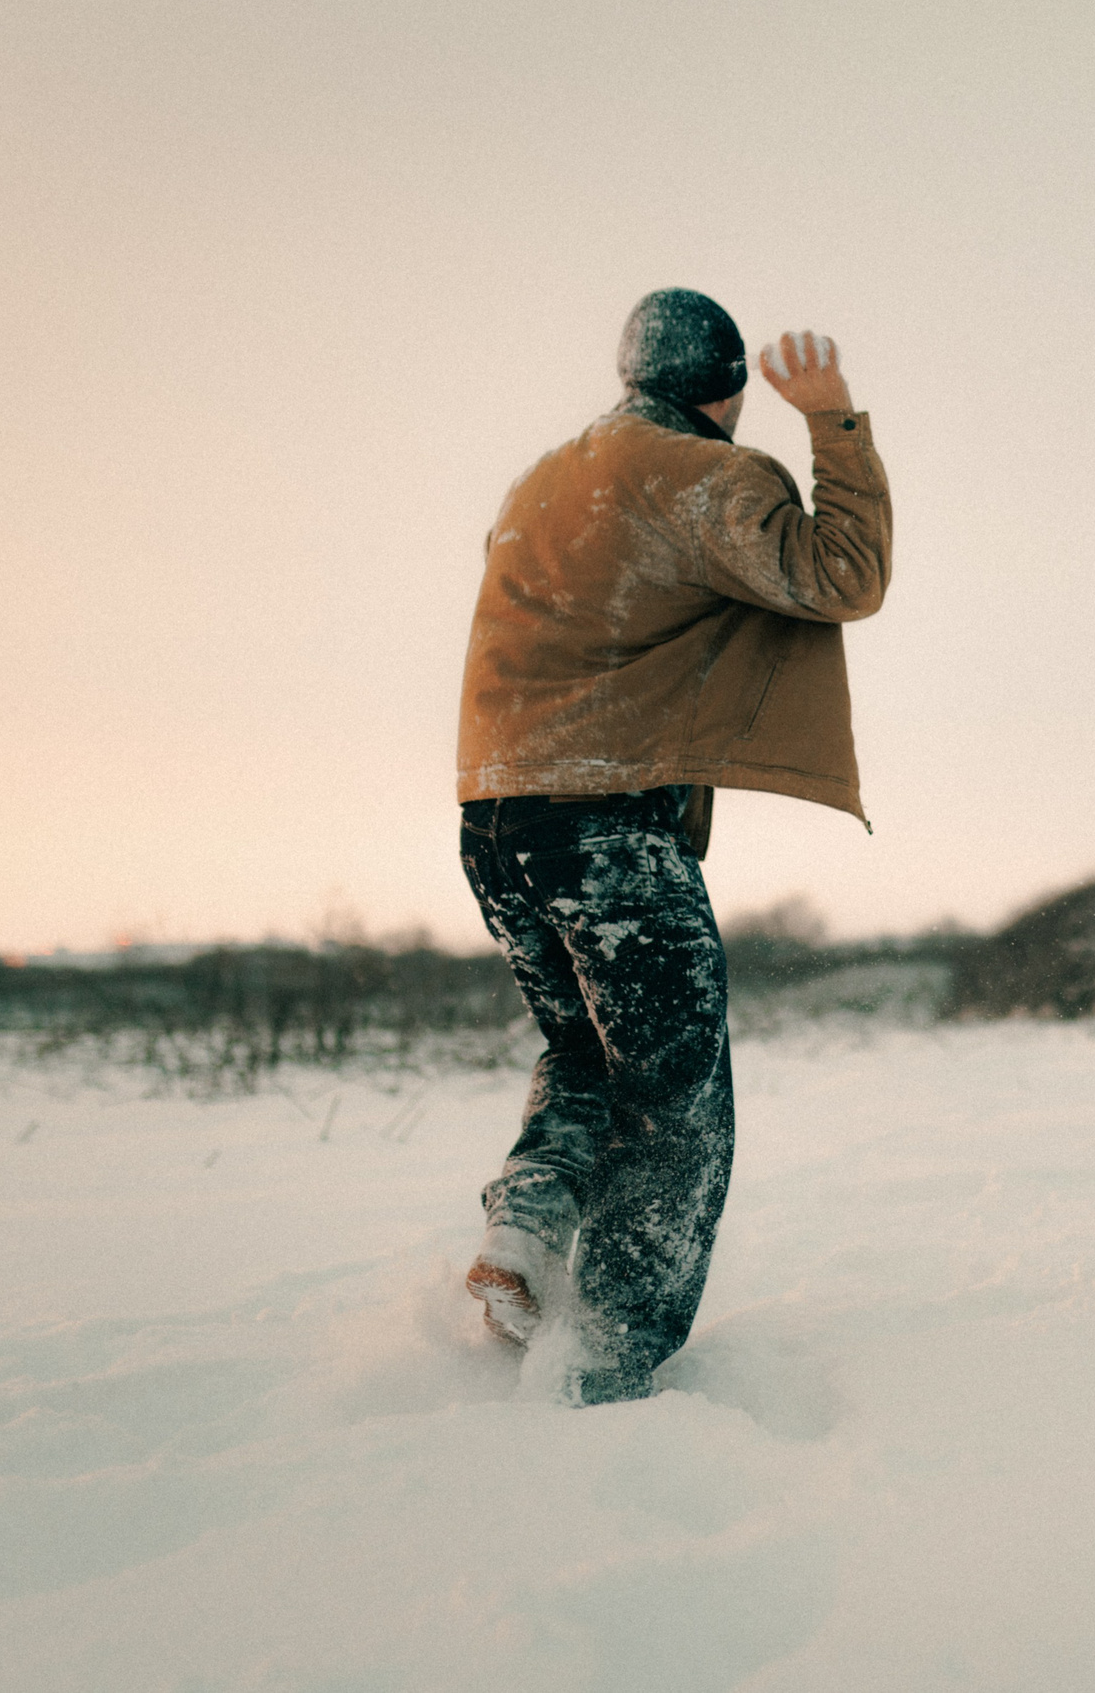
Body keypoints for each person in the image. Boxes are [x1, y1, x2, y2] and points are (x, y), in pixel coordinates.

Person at [452, 288, 891, 1403]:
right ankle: (605, 1367)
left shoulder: (541, 482)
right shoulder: (701, 477)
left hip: (493, 819)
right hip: (605, 824)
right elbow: (843, 573)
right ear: (728, 387)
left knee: (584, 1052)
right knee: (674, 1099)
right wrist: (832, 417)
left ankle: (524, 1234)